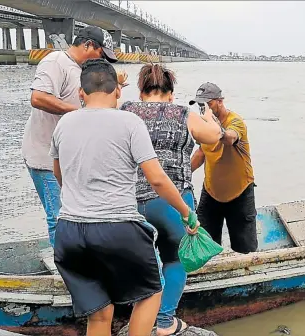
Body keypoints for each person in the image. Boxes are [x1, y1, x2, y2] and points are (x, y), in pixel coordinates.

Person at [50, 58, 199, 336]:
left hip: (69, 232)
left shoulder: (64, 124)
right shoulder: (130, 122)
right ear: (118, 91)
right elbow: (156, 178)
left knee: (100, 314)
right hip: (116, 228)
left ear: (81, 92)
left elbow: (60, 176)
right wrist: (186, 212)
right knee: (151, 292)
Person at [119, 64, 222, 336]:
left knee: (142, 262)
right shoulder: (182, 113)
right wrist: (210, 117)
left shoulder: (126, 111)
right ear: (171, 93)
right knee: (175, 259)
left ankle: (140, 319)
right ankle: (165, 321)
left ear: (141, 92)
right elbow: (214, 138)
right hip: (173, 200)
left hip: (129, 200)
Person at [22, 25, 124, 246]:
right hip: (45, 157)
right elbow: (38, 98)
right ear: (87, 45)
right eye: (101, 54)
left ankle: (78, 263)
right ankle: (65, 269)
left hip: (71, 158)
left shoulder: (82, 71)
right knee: (58, 216)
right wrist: (80, 113)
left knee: (79, 214)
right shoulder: (55, 62)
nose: (103, 60)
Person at [189, 82, 258, 254]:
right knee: (204, 244)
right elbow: (201, 153)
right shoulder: (204, 125)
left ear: (220, 101)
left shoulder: (235, 121)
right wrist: (180, 175)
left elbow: (229, 138)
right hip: (211, 192)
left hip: (240, 192)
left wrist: (213, 127)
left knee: (245, 249)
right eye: (200, 105)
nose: (204, 109)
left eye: (208, 104)